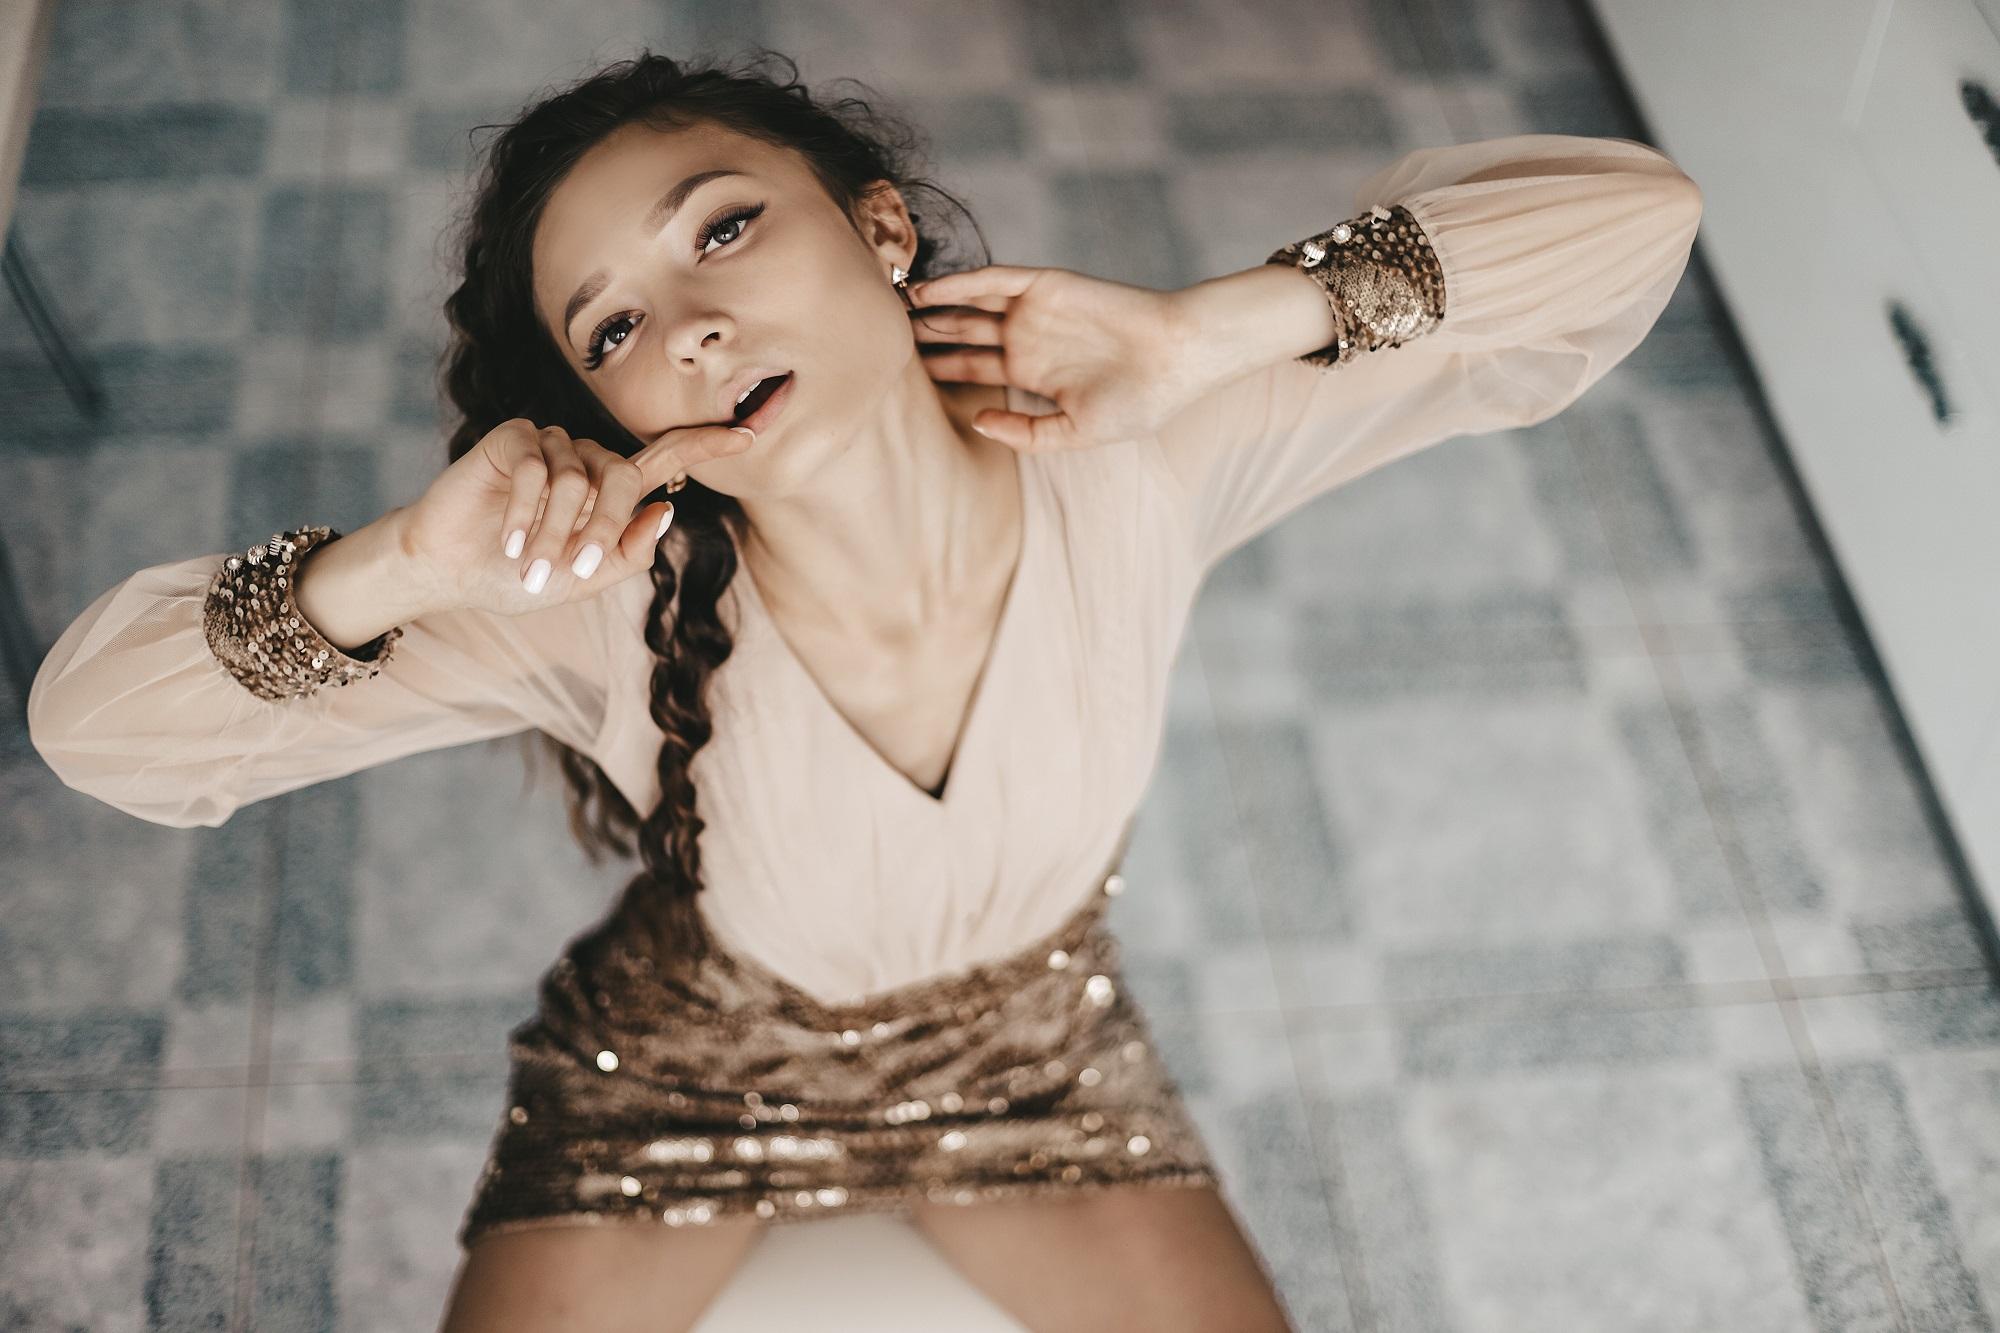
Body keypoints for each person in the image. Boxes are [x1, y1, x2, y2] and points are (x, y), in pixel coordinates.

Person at [24, 47, 1702, 1333]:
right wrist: (402, 560)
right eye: (613, 333)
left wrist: (1215, 330)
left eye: (725, 228)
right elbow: (91, 727)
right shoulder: (596, 610)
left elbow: (1638, 218)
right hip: (687, 1075)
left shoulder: (1138, 450)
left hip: (1034, 1060)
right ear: (612, 415)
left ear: (880, 228)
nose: (691, 327)